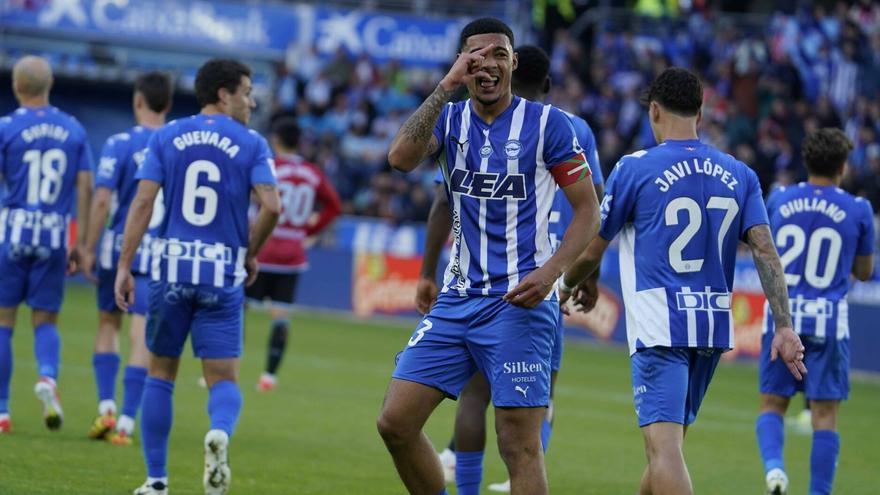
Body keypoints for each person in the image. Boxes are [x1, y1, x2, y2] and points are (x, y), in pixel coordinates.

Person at [378, 18, 601, 495]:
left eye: (499, 54)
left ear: (513, 63)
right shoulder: (451, 120)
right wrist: (445, 86)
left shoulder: (548, 125)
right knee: (395, 422)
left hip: (519, 303)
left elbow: (589, 211)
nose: (488, 65)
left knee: (519, 447)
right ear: (463, 63)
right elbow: (399, 157)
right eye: (476, 56)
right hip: (458, 300)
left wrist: (551, 274)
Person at [560, 67, 806, 495]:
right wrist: (784, 325)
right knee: (667, 447)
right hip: (710, 327)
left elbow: (593, 248)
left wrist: (563, 287)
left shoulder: (635, 168)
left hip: (661, 327)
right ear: (701, 109)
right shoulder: (740, 173)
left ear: (653, 111)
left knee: (664, 450)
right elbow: (765, 251)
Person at [114, 58, 281, 495]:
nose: (251, 101)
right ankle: (219, 432)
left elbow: (143, 204)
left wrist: (124, 265)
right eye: (246, 91)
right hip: (221, 273)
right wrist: (249, 253)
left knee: (160, 375)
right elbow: (273, 206)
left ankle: (155, 481)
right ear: (224, 94)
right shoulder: (252, 142)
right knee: (223, 379)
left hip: (169, 271)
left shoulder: (166, 136)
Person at [755, 128, 874, 495]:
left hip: (782, 318)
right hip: (828, 322)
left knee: (772, 405)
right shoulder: (858, 208)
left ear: (806, 162)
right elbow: (864, 272)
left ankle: (775, 470)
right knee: (824, 416)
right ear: (843, 166)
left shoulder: (779, 199)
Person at [0, 55, 93, 433]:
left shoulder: (6, 127)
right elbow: (86, 185)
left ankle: (2, 410)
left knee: (4, 324)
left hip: (13, 232)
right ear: (49, 85)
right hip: (54, 234)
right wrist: (82, 242)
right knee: (46, 320)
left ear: (17, 86)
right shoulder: (72, 128)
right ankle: (48, 377)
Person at [80, 71, 173, 445]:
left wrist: (86, 246)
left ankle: (105, 406)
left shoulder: (118, 143)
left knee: (107, 325)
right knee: (142, 336)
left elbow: (101, 200)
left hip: (116, 249)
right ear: (167, 104)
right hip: (157, 255)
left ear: (137, 101)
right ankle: (127, 423)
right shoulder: (175, 143)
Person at [246, 116, 341, 392]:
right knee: (281, 317)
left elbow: (250, 198)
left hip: (263, 249)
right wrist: (310, 231)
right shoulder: (313, 172)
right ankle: (269, 377)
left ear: (276, 140)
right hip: (292, 254)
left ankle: (222, 369)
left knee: (236, 309)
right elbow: (334, 206)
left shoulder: (270, 167)